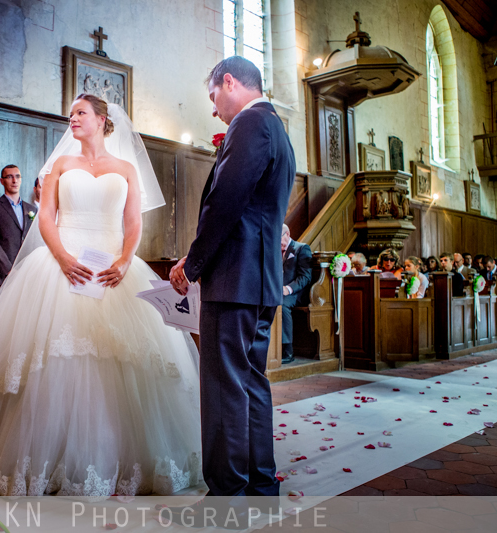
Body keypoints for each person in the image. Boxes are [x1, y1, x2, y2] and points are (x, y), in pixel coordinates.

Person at [0, 95, 201, 498]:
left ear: (101, 120)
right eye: (71, 114)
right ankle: (40, 458)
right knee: (51, 358)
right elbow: (45, 217)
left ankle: (121, 458)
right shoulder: (60, 164)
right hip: (61, 266)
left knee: (118, 361)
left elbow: (132, 223)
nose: (72, 119)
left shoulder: (126, 169)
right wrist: (62, 257)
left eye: (80, 113)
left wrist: (126, 261)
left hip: (112, 268)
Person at [170, 56, 295, 501]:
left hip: (233, 280)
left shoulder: (249, 125)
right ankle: (260, 485)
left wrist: (192, 263)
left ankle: (226, 499)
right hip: (259, 282)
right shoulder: (278, 129)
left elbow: (225, 202)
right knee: (250, 384)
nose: (213, 108)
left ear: (229, 82)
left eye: (213, 97)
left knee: (224, 390)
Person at [0, 164, 34, 286]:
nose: (14, 180)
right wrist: (9, 270)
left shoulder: (31, 209)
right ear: (2, 181)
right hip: (2, 274)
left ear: (21, 179)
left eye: (17, 176)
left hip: (28, 272)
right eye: (9, 177)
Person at [280, 224, 312, 364]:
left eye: (278, 238)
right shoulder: (274, 250)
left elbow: (305, 277)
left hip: (297, 293)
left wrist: (288, 288)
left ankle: (288, 350)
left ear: (287, 234)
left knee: (281, 304)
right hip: (279, 290)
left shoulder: (301, 248)